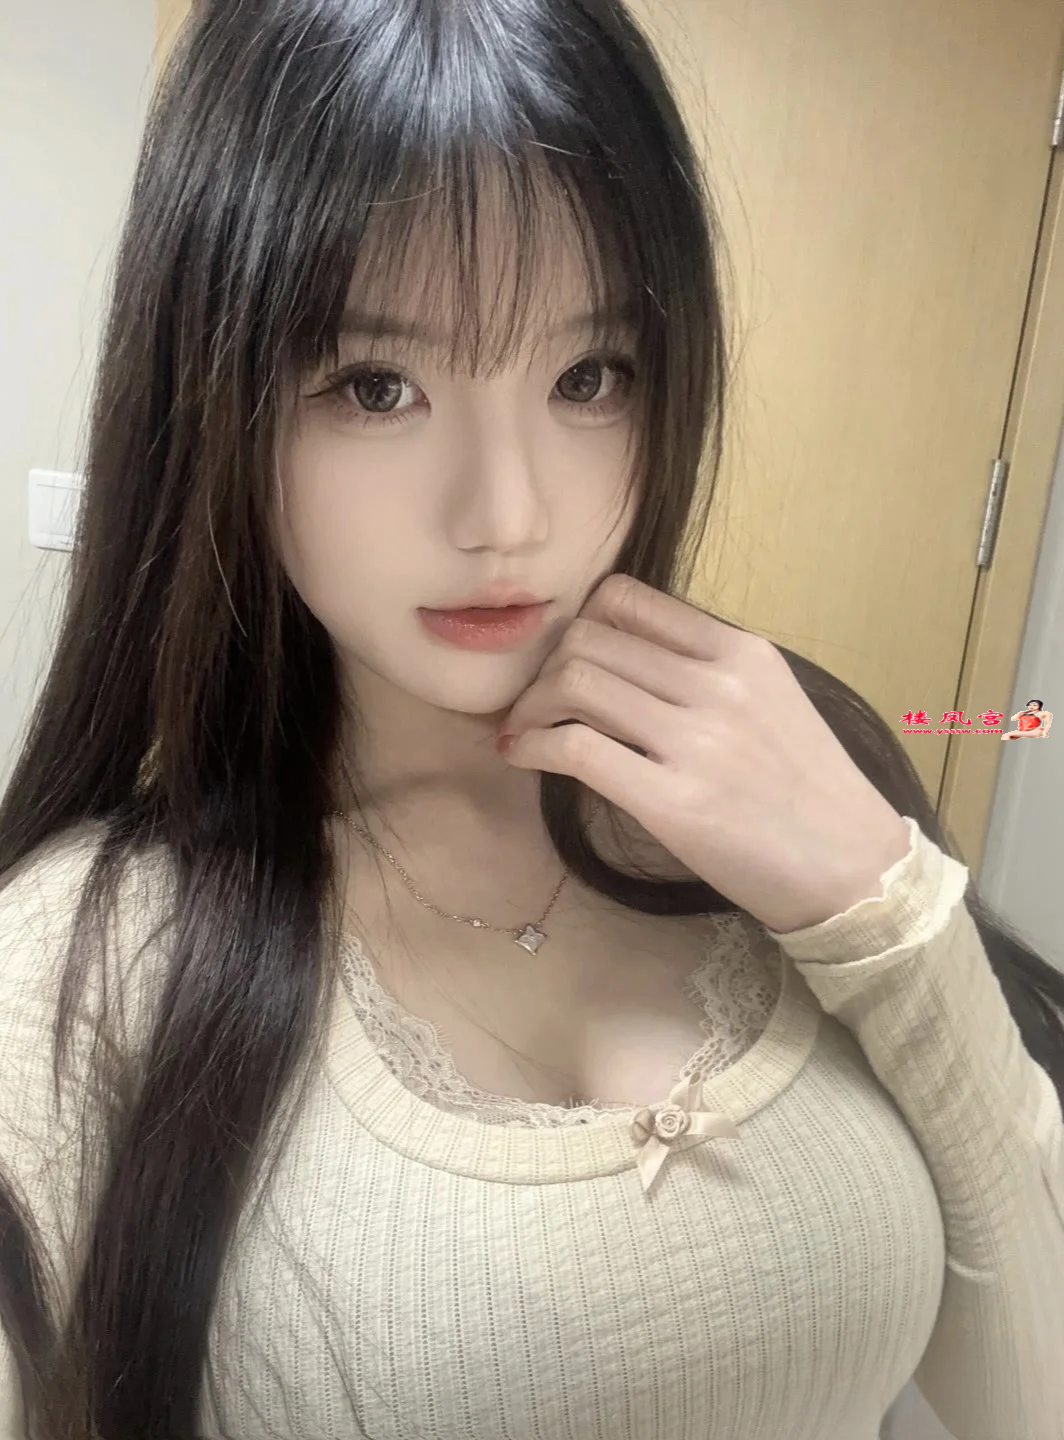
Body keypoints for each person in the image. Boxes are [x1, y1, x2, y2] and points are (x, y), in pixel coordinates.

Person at [1, 1, 1063, 1437]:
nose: (507, 513)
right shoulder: (82, 963)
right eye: (376, 386)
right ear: (211, 400)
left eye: (588, 377)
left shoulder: (789, 769)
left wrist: (884, 909)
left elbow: (1028, 1399)